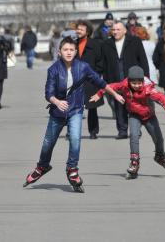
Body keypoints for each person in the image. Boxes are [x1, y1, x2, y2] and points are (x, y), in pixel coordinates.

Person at [23, 37, 124, 193]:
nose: (68, 52)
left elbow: (100, 82)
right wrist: (56, 101)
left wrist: (115, 95)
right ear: (59, 52)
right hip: (57, 112)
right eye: (65, 50)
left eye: (71, 50)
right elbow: (48, 93)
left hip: (76, 109)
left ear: (76, 52)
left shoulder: (83, 67)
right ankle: (42, 166)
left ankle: (72, 169)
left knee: (75, 139)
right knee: (47, 143)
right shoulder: (54, 69)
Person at [90, 66, 165, 179]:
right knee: (134, 136)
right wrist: (99, 94)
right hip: (134, 115)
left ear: (142, 81)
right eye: (133, 83)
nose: (136, 85)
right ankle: (134, 162)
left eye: (139, 83)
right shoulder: (124, 84)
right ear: (129, 81)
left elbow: (161, 97)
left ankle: (160, 157)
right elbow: (110, 87)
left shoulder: (148, 88)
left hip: (149, 116)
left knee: (158, 138)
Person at [101, 20, 149, 139]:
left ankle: (136, 129)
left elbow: (142, 59)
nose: (115, 32)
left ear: (125, 31)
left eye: (118, 29)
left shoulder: (135, 41)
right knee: (119, 106)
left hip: (133, 80)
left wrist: (146, 77)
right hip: (115, 79)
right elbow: (104, 64)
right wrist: (106, 81)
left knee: (134, 106)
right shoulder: (106, 44)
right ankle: (122, 130)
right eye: (113, 30)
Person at [76, 20, 104, 139]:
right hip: (76, 80)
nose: (78, 31)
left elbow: (100, 62)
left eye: (81, 29)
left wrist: (96, 74)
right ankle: (72, 131)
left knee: (92, 108)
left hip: (91, 80)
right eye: (77, 29)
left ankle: (93, 131)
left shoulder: (95, 44)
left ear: (87, 32)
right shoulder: (72, 44)